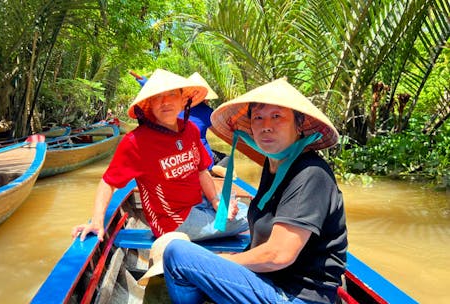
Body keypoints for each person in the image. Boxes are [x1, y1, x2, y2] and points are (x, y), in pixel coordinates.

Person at [162, 78, 348, 304]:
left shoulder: (310, 173)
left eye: (277, 116)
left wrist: (225, 260)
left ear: (299, 125)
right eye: (258, 117)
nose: (266, 125)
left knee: (177, 254)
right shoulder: (273, 166)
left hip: (295, 297)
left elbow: (279, 255)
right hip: (270, 284)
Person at [72, 69, 248, 242]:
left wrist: (216, 201)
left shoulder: (190, 130)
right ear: (149, 105)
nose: (165, 102)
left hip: (200, 203)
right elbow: (108, 182)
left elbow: (202, 172)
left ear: (182, 100)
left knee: (243, 208)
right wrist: (97, 221)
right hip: (172, 221)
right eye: (157, 97)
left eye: (172, 94)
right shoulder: (135, 141)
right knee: (251, 217)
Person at [179, 72, 232, 178]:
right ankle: (211, 171)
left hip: (180, 157)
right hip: (202, 157)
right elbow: (221, 132)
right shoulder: (207, 111)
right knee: (228, 159)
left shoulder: (174, 108)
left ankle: (209, 170)